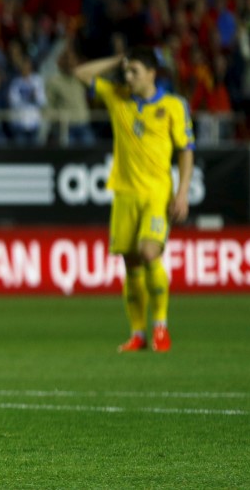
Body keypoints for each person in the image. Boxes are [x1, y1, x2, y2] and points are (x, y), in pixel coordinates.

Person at [73, 46, 194, 353]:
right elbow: (80, 73)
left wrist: (182, 192)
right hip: (124, 192)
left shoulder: (173, 106)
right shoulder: (118, 97)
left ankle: (161, 327)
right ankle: (137, 334)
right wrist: (118, 58)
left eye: (134, 71)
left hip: (156, 192)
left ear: (152, 73)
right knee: (131, 264)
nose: (127, 77)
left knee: (150, 251)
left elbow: (185, 151)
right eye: (126, 71)